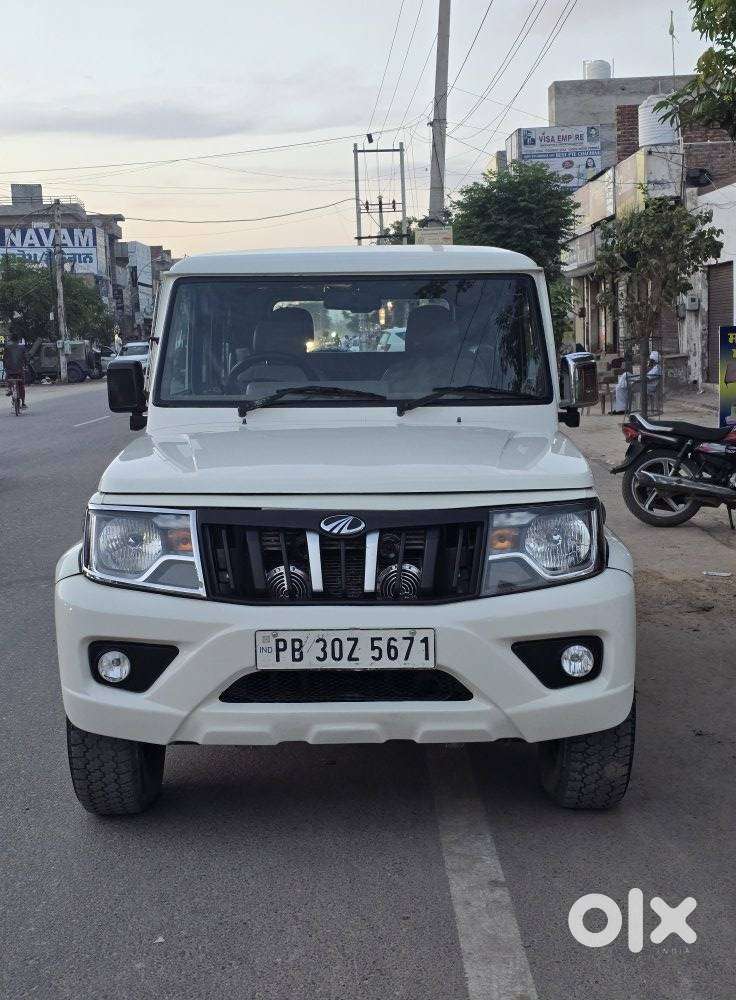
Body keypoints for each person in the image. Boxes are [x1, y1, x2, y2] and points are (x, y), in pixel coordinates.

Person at [3, 332, 28, 408]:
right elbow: (25, 359)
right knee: (21, 385)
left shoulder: (7, 347)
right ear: (18, 340)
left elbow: (4, 358)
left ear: (11, 339)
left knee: (8, 378)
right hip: (19, 370)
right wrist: (26, 366)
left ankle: (8, 388)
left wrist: (5, 367)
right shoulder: (22, 348)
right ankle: (23, 403)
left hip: (9, 370)